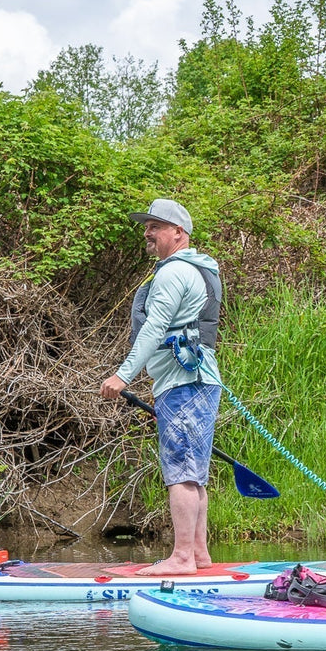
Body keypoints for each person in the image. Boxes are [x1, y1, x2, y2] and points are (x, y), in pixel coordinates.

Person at [100, 198, 224, 576]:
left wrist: (123, 375)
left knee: (181, 471)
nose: (148, 232)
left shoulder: (174, 272)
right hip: (198, 381)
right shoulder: (194, 269)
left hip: (185, 382)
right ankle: (199, 555)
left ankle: (183, 558)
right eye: (147, 225)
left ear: (178, 233)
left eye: (156, 226)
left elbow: (155, 328)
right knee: (193, 471)